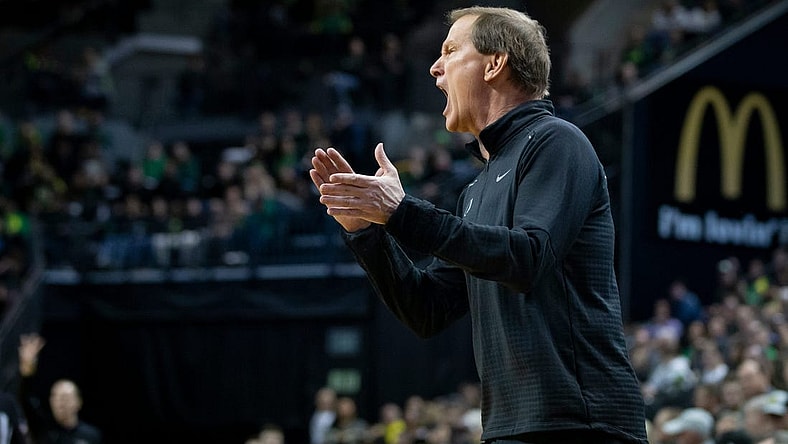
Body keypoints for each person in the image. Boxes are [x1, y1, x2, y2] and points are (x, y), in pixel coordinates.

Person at [309, 6, 647, 444]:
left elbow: (527, 258)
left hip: (582, 422)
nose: (434, 67)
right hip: (511, 426)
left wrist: (401, 212)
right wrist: (366, 231)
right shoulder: (477, 189)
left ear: (495, 63)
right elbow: (426, 309)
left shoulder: (558, 141)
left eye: (450, 50)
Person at [17, 333, 102, 444]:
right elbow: (25, 399)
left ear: (79, 402)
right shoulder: (43, 429)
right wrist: (27, 370)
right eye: (55, 396)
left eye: (65, 397)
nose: (60, 402)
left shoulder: (91, 435)